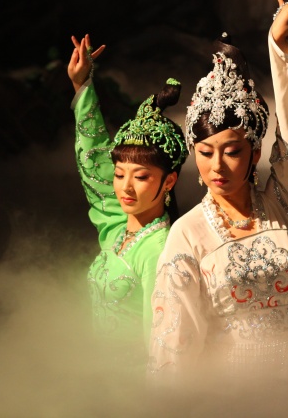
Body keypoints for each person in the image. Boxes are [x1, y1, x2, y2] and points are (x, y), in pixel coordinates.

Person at [147, 0, 288, 380]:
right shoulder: (187, 234)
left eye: (232, 151)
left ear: (255, 153)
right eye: (205, 152)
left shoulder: (281, 207)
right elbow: (173, 344)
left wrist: (279, 47)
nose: (217, 166)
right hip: (234, 394)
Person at [68, 33, 188, 359]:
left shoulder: (160, 250)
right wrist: (82, 85)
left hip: (133, 380)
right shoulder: (118, 227)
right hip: (101, 372)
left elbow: (161, 342)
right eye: (120, 175)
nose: (126, 187)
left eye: (142, 176)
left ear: (169, 181)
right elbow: (94, 163)